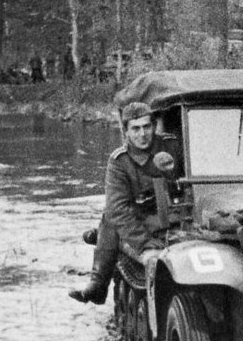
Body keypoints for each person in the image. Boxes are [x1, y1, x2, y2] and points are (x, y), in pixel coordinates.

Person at [69, 101, 183, 305]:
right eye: (135, 129)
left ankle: (97, 275)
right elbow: (118, 211)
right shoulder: (120, 161)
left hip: (175, 213)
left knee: (109, 220)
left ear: (154, 125)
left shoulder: (172, 146)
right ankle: (98, 282)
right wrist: (144, 243)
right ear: (126, 131)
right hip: (140, 218)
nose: (142, 134)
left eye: (147, 127)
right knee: (110, 217)